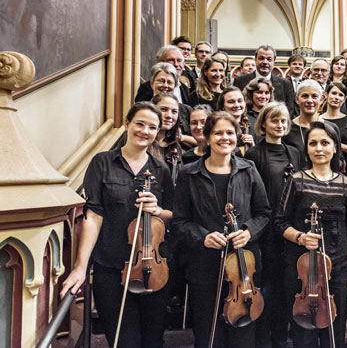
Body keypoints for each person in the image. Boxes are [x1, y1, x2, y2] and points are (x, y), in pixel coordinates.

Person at [60, 102, 174, 348]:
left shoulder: (161, 170)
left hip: (152, 268)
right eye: (140, 124)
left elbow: (172, 216)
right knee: (123, 340)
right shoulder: (102, 162)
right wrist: (81, 267)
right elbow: (94, 216)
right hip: (110, 266)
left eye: (152, 127)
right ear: (127, 124)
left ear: (157, 132)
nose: (145, 131)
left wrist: (158, 211)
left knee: (153, 339)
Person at [172, 111, 270, 348]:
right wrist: (203, 237)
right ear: (207, 137)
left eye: (229, 132)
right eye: (218, 133)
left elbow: (264, 213)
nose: (224, 138)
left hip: (243, 267)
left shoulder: (248, 169)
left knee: (243, 334)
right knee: (208, 335)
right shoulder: (189, 173)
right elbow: (179, 221)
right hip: (204, 266)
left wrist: (248, 231)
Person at [274, 121, 347, 348]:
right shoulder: (296, 180)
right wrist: (300, 237)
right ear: (307, 149)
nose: (319, 148)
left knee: (335, 335)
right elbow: (280, 223)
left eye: (325, 143)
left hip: (339, 268)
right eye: (313, 143)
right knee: (304, 337)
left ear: (335, 148)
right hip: (301, 269)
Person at [244, 102, 302, 348]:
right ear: (264, 124)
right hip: (265, 232)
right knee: (266, 286)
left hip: (287, 229)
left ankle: (279, 337)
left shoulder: (295, 153)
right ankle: (262, 338)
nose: (280, 125)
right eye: (275, 120)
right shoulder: (254, 154)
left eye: (284, 121)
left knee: (285, 287)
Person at [234, 45, 296, 115]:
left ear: (274, 62)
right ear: (255, 60)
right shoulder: (239, 81)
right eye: (261, 58)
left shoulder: (286, 84)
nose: (265, 62)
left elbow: (289, 111)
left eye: (269, 59)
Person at [282, 79, 340, 156]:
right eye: (305, 96)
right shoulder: (287, 129)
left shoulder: (332, 128)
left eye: (314, 96)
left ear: (321, 100)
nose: (309, 100)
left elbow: (338, 159)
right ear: (297, 99)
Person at [320, 82, 347, 177]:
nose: (337, 97)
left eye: (341, 95)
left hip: (346, 170)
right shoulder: (318, 120)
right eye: (334, 93)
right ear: (326, 95)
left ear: (344, 99)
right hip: (322, 168)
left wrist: (337, 145)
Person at [217, 86, 255, 155]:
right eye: (231, 102)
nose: (237, 105)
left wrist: (252, 146)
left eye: (240, 101)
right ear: (222, 106)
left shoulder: (252, 124)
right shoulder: (217, 127)